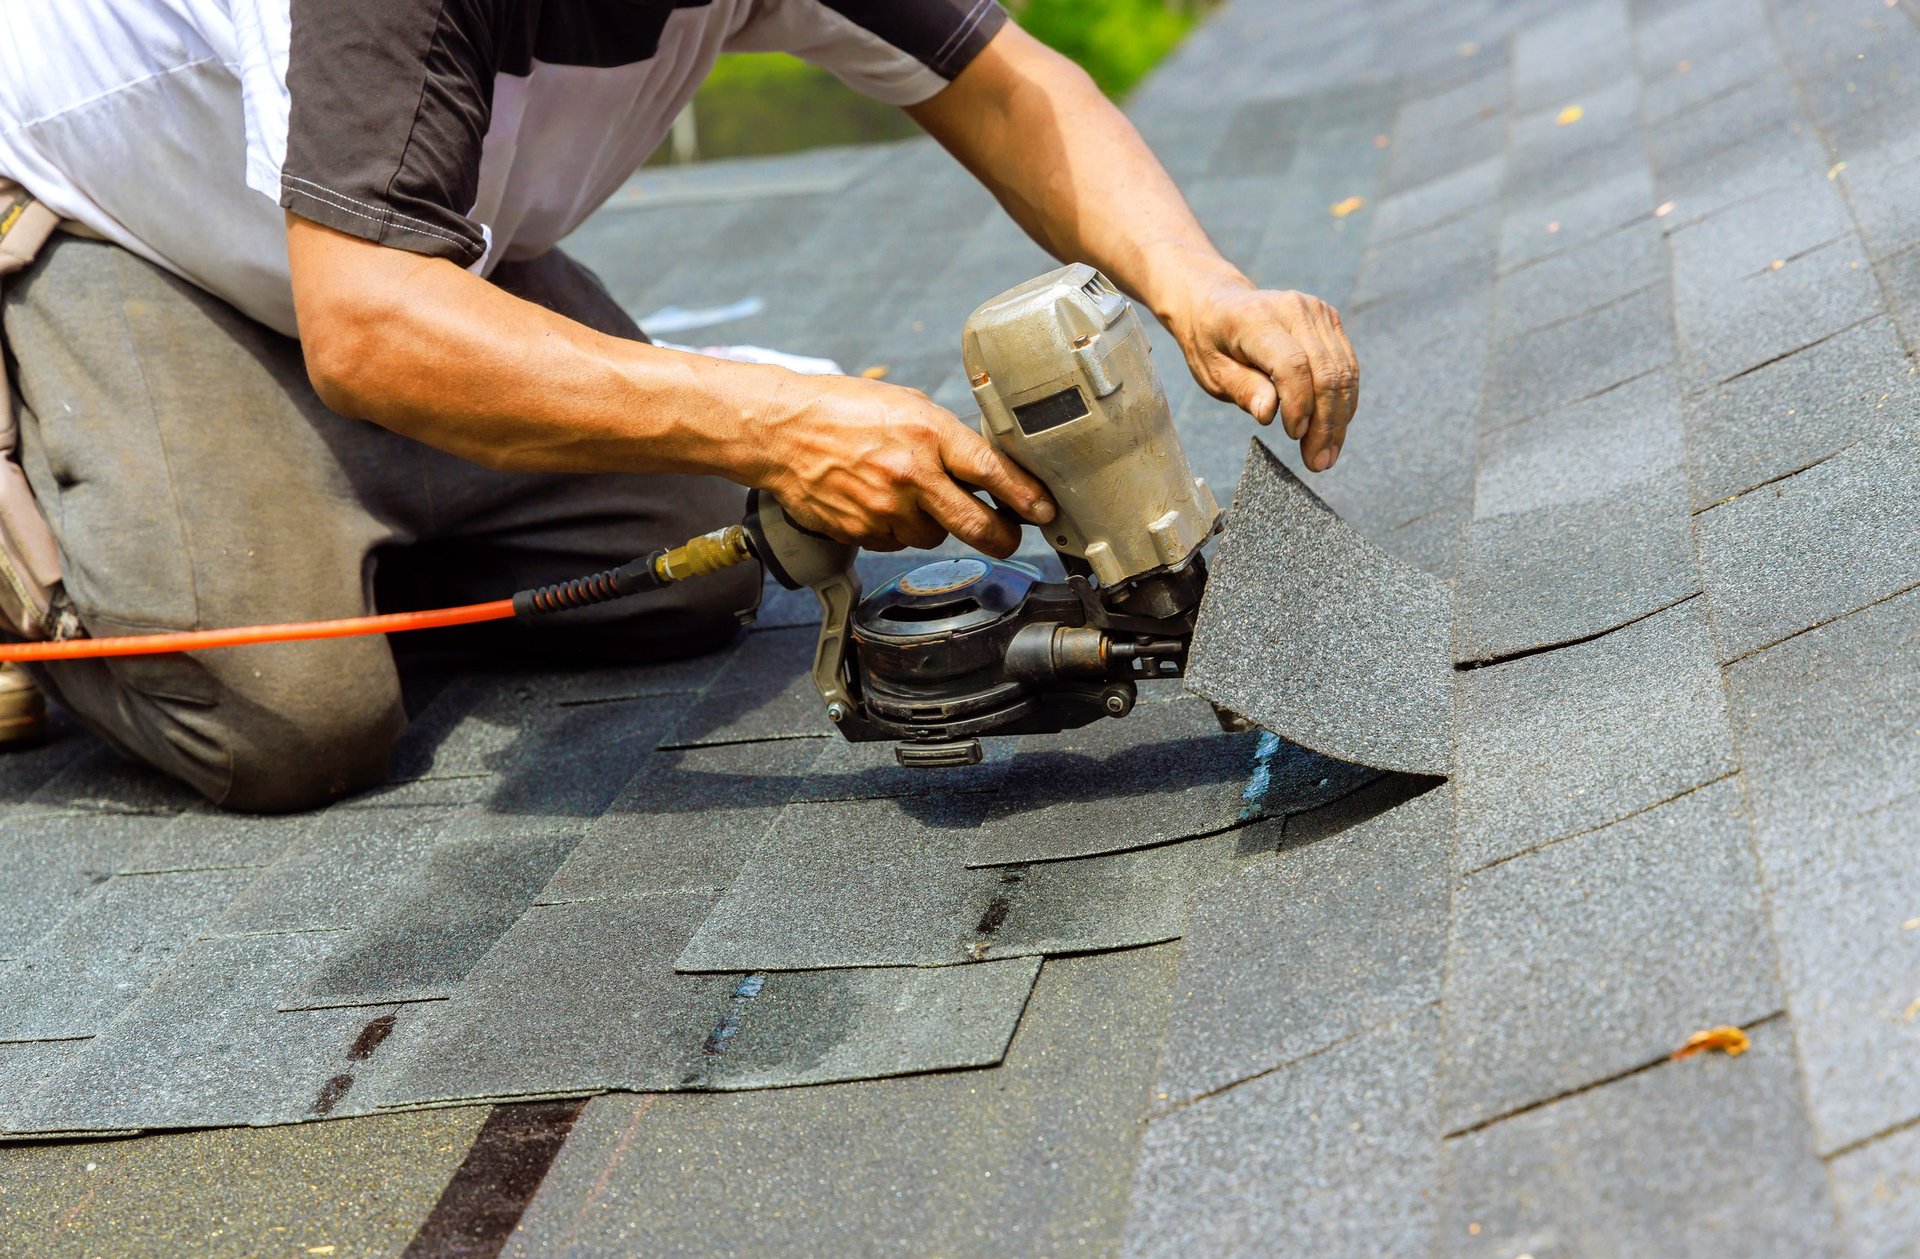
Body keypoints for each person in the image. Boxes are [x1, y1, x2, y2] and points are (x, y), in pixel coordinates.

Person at [0, 1, 1358, 811]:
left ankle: (314, 509)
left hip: (376, 247)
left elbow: (1005, 87)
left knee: (704, 550)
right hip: (102, 228)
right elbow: (365, 328)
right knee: (290, 713)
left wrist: (1199, 288)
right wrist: (776, 420)